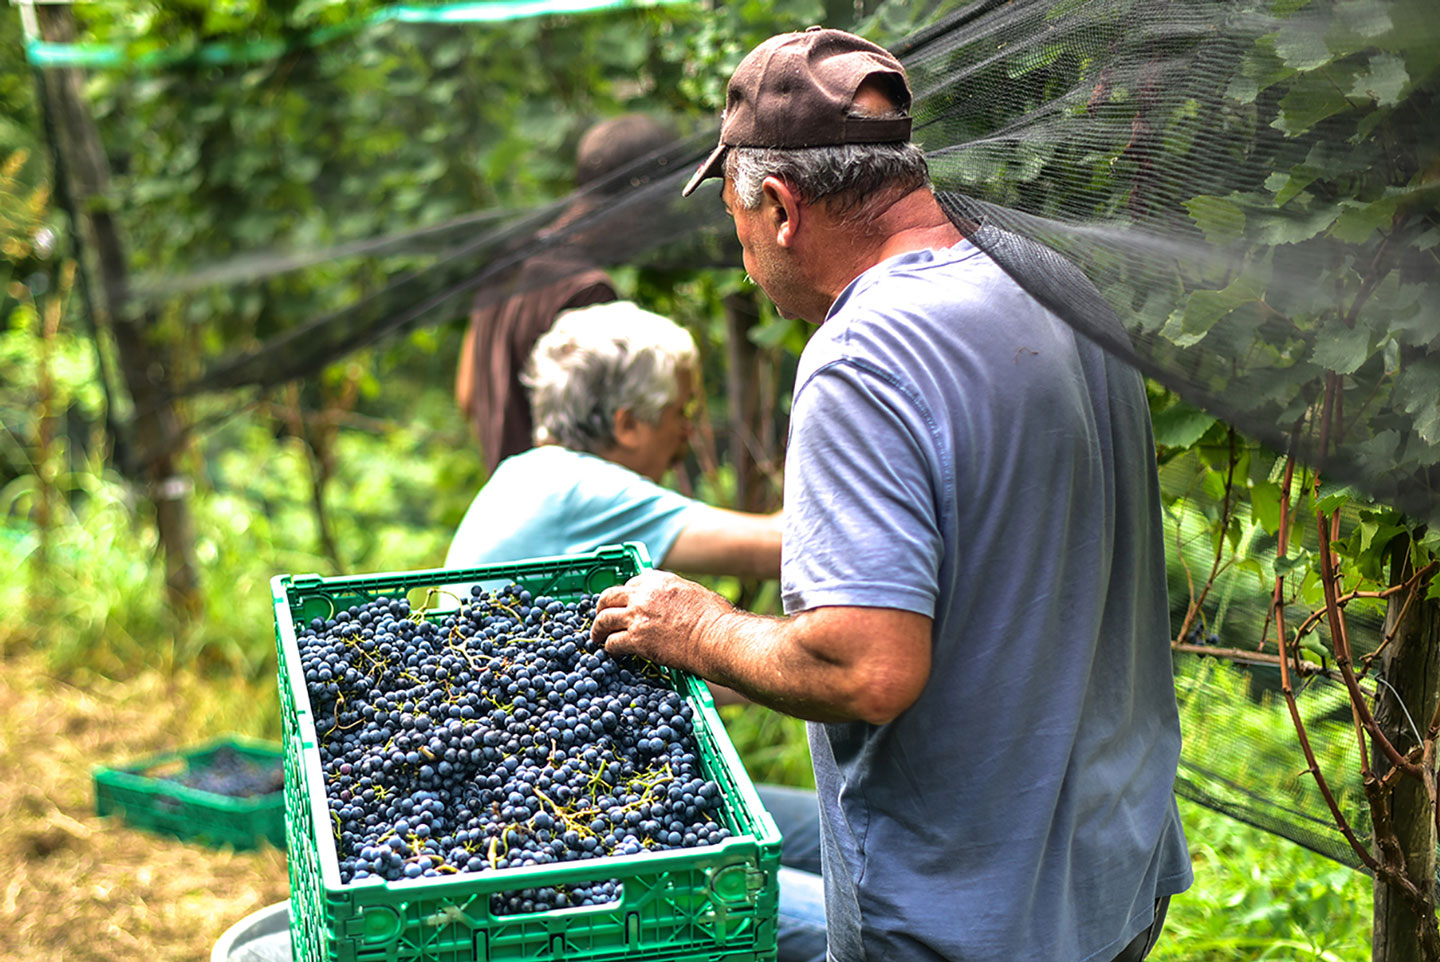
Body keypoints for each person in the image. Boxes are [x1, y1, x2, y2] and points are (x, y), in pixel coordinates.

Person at [589, 26, 1193, 962]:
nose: (741, 254)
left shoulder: (862, 357)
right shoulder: (1048, 278)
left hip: (964, 921)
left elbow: (866, 669)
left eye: (735, 216)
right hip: (1114, 881)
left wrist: (699, 628)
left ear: (780, 208)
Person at [444, 298, 828, 962]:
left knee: (829, 832)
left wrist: (784, 669)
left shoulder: (525, 472)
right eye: (680, 411)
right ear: (626, 424)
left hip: (564, 767)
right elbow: (783, 543)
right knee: (849, 920)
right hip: (562, 814)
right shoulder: (580, 490)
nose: (690, 430)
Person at [455, 113, 678, 474]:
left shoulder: (506, 264)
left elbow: (468, 396)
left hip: (505, 492)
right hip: (566, 500)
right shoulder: (586, 291)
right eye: (662, 204)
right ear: (642, 200)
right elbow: (604, 442)